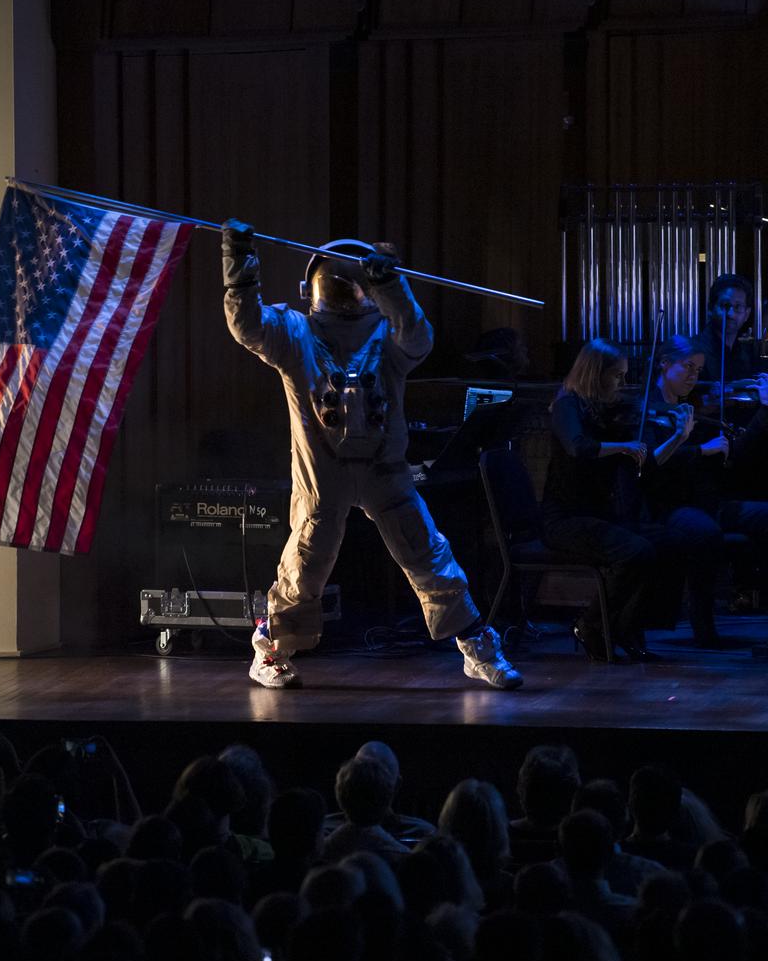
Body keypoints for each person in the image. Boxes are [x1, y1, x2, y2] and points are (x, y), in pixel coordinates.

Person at [221, 219, 521, 690]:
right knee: (307, 558)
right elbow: (247, 325)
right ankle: (270, 649)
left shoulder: (386, 333)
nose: (343, 293)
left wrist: (392, 284)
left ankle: (474, 644)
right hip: (323, 468)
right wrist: (238, 261)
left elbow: (418, 338)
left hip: (384, 467)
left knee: (424, 550)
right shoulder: (296, 332)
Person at [541, 339, 694, 662]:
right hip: (567, 519)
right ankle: (591, 624)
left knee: (676, 543)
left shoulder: (611, 410)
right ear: (595, 374)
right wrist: (622, 446)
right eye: (617, 376)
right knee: (636, 551)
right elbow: (579, 447)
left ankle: (628, 626)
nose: (623, 384)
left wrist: (678, 437)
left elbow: (646, 461)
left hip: (604, 516)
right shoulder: (568, 405)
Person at [643, 333, 768, 645]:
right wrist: (702, 451)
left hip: (705, 501)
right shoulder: (648, 409)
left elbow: (721, 457)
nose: (694, 376)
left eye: (698, 370)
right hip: (668, 506)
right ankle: (703, 625)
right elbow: (654, 464)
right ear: (664, 364)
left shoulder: (690, 408)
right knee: (705, 532)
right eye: (688, 367)